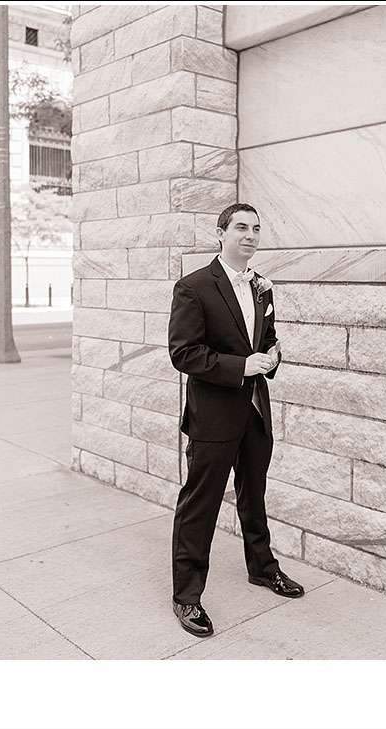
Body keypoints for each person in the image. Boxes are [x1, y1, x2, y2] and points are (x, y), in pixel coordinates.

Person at [167, 202, 304, 638]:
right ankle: (187, 595)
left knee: (254, 495)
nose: (250, 235)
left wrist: (272, 357)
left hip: (255, 411)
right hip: (212, 417)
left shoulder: (263, 287)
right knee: (200, 503)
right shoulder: (194, 286)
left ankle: (262, 568)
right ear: (221, 233)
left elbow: (265, 340)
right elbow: (183, 353)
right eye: (241, 227)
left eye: (256, 229)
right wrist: (241, 367)